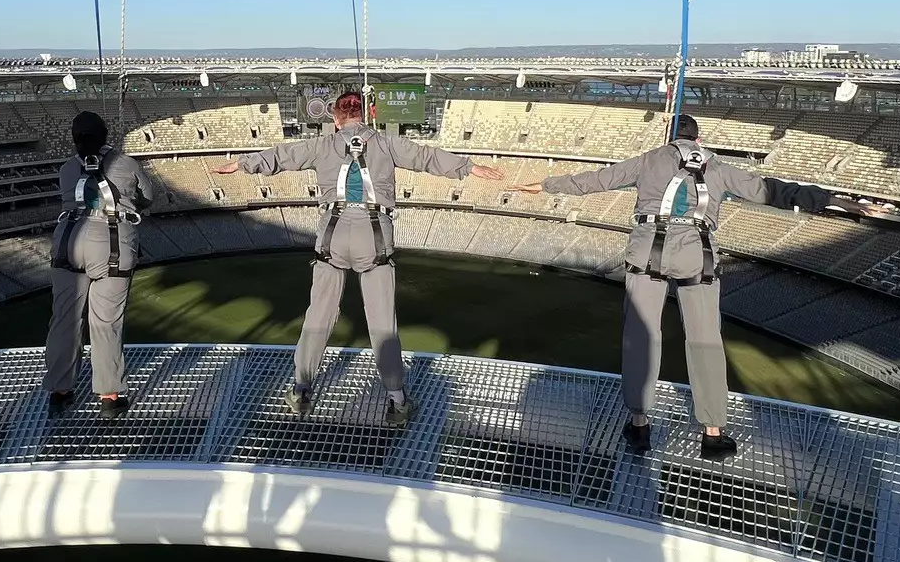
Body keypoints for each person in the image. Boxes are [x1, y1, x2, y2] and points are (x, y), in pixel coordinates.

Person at [510, 112, 865, 458]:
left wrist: (544, 185)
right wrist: (828, 199)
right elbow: (770, 191)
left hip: (649, 252)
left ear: (670, 139)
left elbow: (595, 181)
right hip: (698, 256)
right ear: (697, 140)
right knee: (705, 341)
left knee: (642, 338)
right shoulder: (718, 166)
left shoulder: (648, 160)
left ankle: (639, 425)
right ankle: (713, 433)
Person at [216, 89, 503, 423]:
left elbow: (283, 155)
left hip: (333, 236)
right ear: (364, 114)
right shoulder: (384, 143)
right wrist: (467, 167)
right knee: (382, 323)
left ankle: (301, 390)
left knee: (318, 316)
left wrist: (242, 163)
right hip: (374, 236)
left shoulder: (322, 145)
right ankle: (397, 400)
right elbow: (425, 156)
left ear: (336, 117)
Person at [45, 110, 158, 412]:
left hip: (68, 243)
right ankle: (109, 396)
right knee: (105, 322)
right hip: (112, 248)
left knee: (65, 320)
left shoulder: (68, 168)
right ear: (105, 136)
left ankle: (59, 391)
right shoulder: (127, 164)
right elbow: (148, 196)